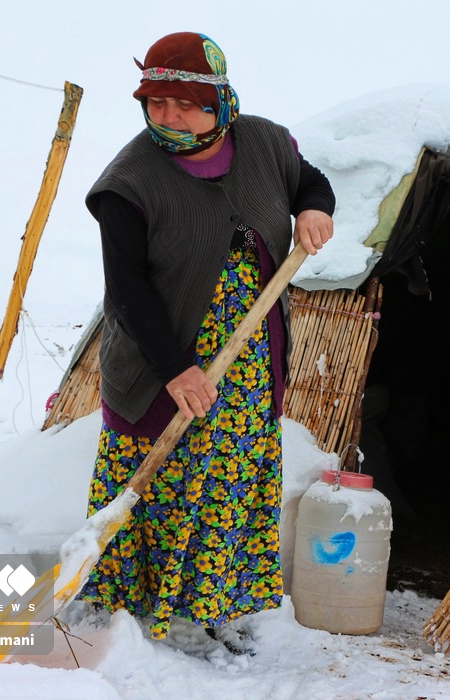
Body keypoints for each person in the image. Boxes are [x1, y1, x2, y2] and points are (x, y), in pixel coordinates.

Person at [77, 31, 335, 653]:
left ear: (220, 98)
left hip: (248, 358)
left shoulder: (265, 143)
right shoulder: (129, 181)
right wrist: (177, 369)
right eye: (156, 103)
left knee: (230, 477)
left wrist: (313, 208)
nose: (169, 116)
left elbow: (310, 180)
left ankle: (217, 606)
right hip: (159, 356)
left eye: (186, 103)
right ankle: (124, 611)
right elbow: (127, 291)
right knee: (159, 477)